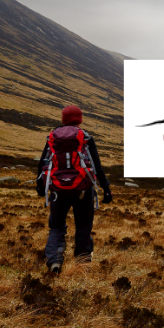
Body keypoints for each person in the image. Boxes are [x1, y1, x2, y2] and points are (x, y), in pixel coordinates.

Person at [36, 105, 112, 273]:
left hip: (58, 191)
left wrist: (41, 186)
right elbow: (97, 166)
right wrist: (106, 188)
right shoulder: (84, 138)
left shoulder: (52, 138)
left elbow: (43, 163)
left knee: (56, 227)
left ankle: (55, 261)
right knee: (83, 227)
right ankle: (82, 266)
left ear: (63, 119)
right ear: (80, 119)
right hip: (83, 190)